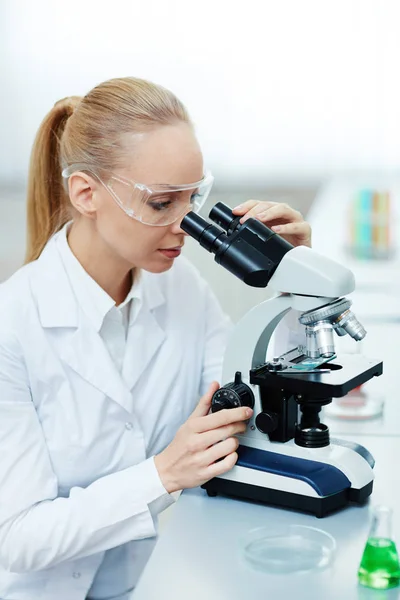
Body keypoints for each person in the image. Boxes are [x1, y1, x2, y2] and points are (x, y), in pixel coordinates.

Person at [0, 76, 312, 600]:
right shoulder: (13, 326)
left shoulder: (180, 287)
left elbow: (248, 402)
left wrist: (296, 284)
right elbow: (17, 537)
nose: (186, 225)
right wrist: (163, 474)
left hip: (157, 577)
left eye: (194, 197)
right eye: (161, 203)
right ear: (85, 193)